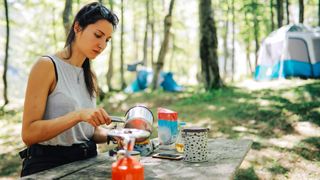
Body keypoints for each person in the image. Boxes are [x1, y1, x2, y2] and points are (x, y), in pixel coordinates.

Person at [20, 2, 119, 177]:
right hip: (50, 166)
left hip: (87, 162)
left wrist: (115, 134)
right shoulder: (47, 66)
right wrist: (78, 115)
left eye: (107, 40)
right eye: (98, 35)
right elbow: (29, 134)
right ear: (77, 27)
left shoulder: (90, 76)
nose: (102, 45)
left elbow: (87, 132)